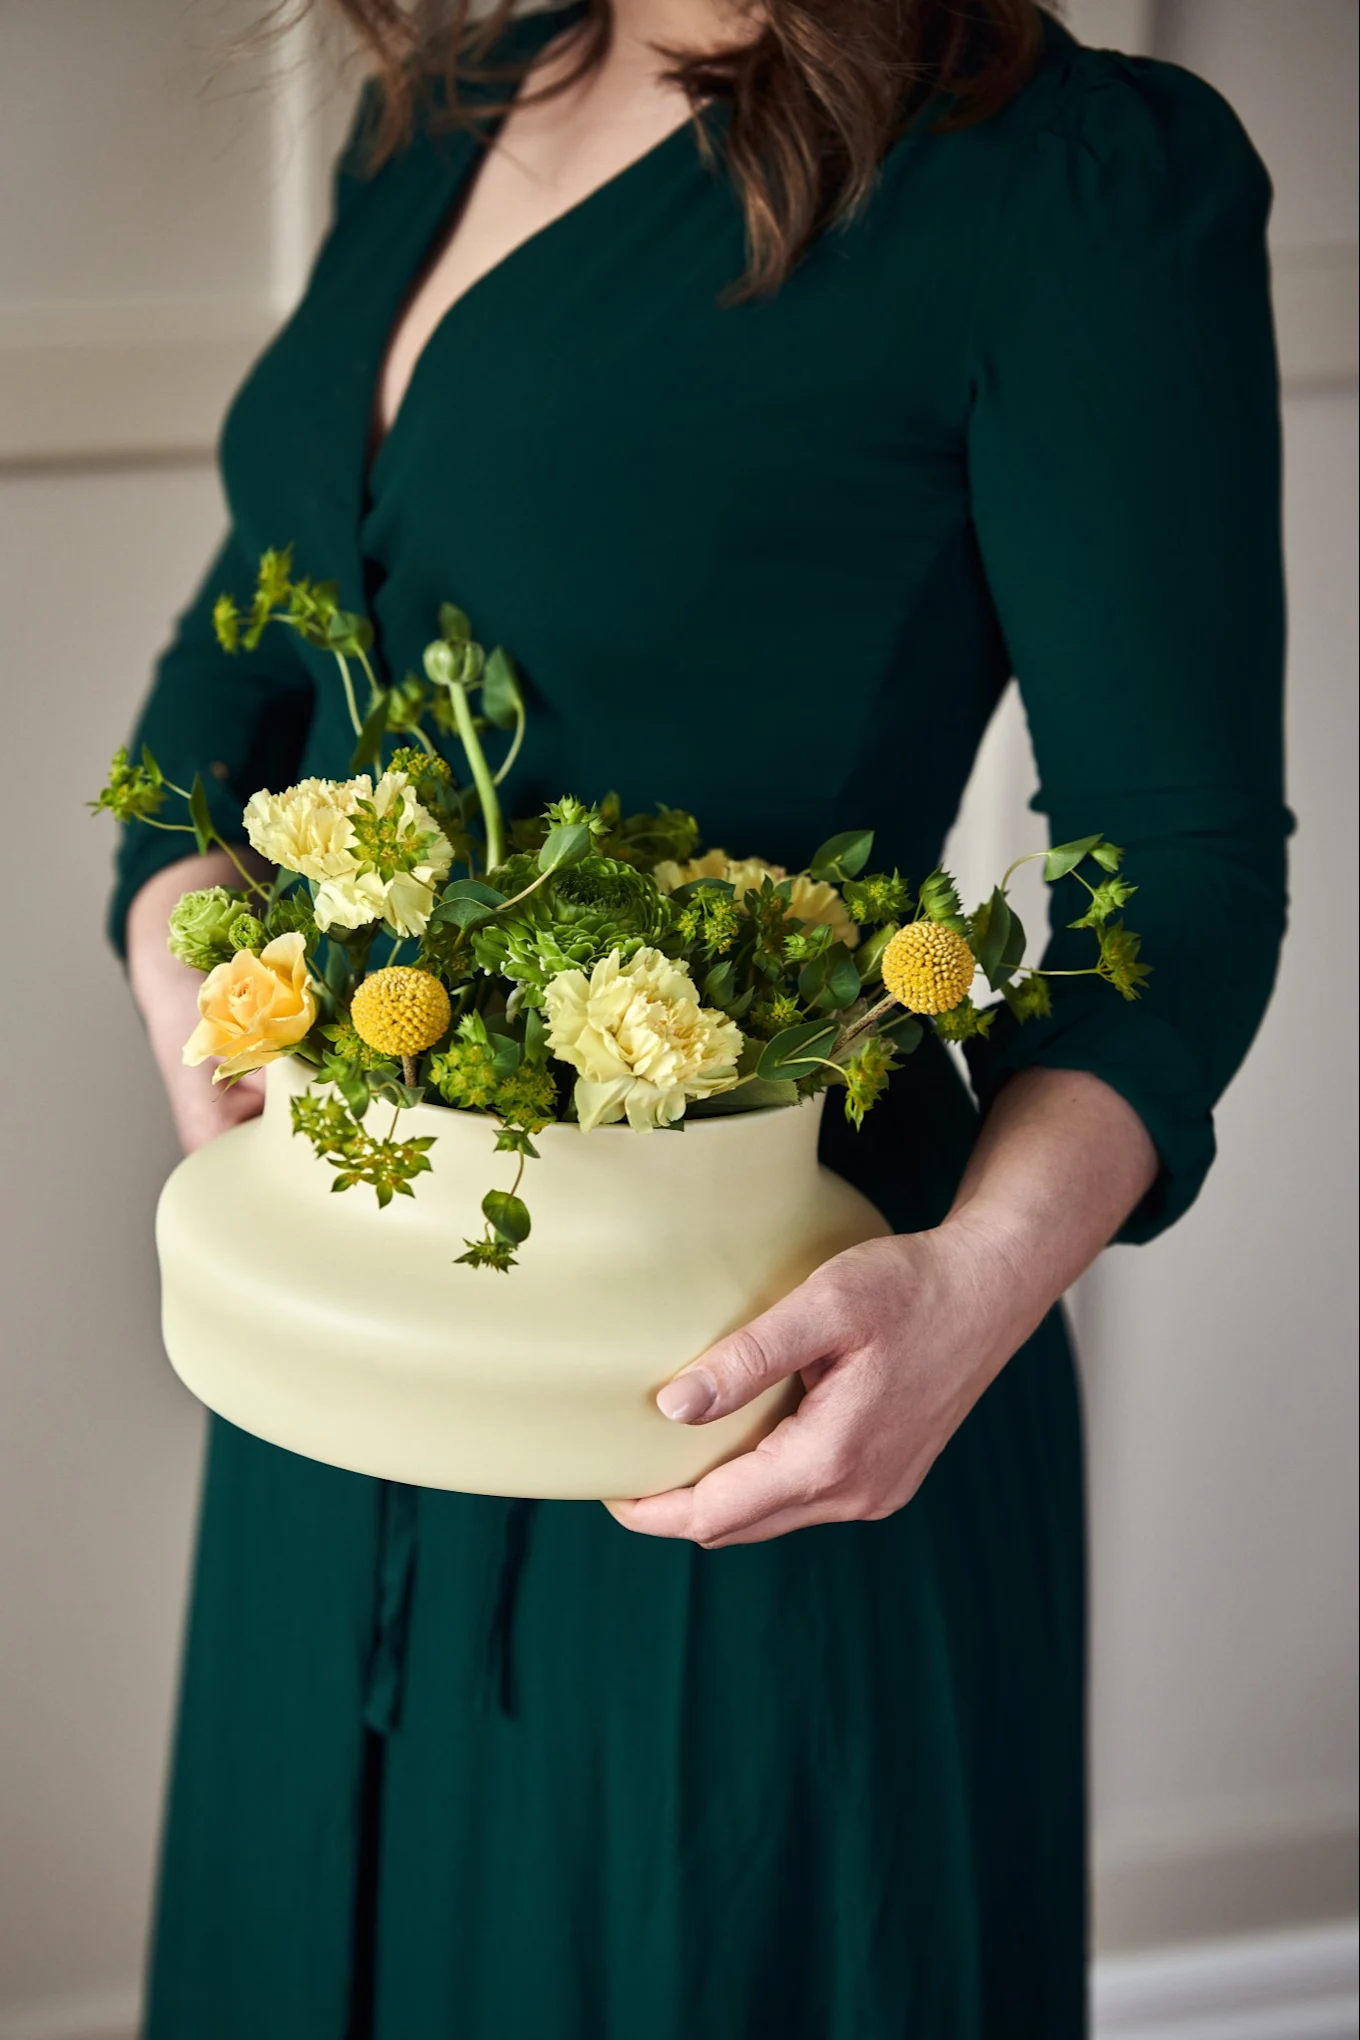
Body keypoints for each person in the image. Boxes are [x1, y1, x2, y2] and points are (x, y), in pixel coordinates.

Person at [112, 0, 1288, 2032]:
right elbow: (260, 632)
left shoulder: (1061, 176)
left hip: (748, 1372)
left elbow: (1172, 868)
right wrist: (176, 905)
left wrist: (981, 1283)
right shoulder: (439, 113)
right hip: (355, 1300)